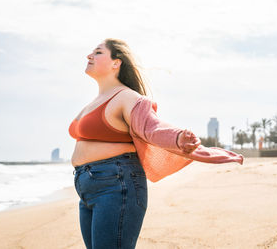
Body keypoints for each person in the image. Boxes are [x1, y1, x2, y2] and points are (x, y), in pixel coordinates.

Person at [69, 38, 243, 249]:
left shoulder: (127, 97)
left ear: (116, 62)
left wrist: (178, 138)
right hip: (88, 188)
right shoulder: (94, 102)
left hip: (115, 185)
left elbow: (151, 126)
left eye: (97, 52)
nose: (89, 56)